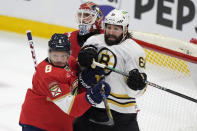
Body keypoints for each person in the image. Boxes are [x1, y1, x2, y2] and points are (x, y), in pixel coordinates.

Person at [74, 9, 147, 131]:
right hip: (92, 104)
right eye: (108, 27)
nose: (110, 32)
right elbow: (78, 73)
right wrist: (82, 62)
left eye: (116, 29)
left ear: (125, 29)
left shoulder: (134, 51)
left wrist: (136, 85)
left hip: (121, 113)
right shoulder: (93, 41)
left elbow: (137, 93)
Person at [19, 33, 111, 131]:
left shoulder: (70, 61)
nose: (59, 60)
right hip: (38, 124)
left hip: (57, 122)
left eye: (63, 56)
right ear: (49, 53)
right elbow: (72, 107)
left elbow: (76, 82)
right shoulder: (48, 76)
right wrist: (92, 96)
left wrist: (87, 77)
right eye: (55, 55)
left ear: (68, 54)